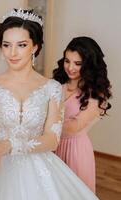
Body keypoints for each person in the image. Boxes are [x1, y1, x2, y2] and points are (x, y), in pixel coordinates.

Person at [0, 9, 99, 199]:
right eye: (6, 45)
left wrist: (11, 144)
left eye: (21, 45)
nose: (12, 53)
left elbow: (52, 139)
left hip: (37, 165)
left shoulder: (52, 88)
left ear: (34, 47)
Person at [53, 36, 112, 192]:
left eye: (78, 63)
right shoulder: (57, 83)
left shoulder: (96, 94)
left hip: (75, 151)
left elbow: (74, 127)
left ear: (89, 65)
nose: (70, 67)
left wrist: (41, 123)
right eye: (67, 61)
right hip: (51, 146)